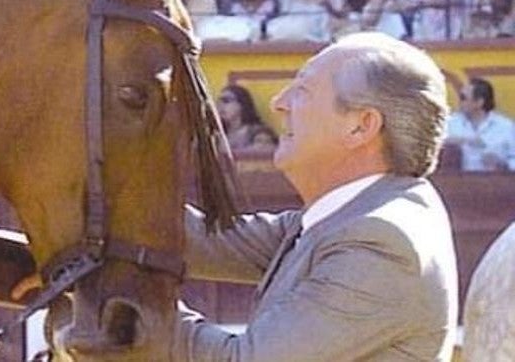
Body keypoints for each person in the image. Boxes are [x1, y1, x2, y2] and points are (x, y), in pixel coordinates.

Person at [175, 32, 458, 359]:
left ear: (360, 126)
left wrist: (130, 309)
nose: (279, 103)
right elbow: (202, 240)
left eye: (302, 91)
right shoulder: (361, 211)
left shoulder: (379, 241)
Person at [445, 77, 515, 171]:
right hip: (457, 182)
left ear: (479, 102)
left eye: (463, 98)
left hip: (494, 183)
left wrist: (502, 164)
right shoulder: (451, 123)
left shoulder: (505, 127)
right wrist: (458, 141)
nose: (459, 101)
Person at [216, 83, 276, 150]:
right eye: (218, 102)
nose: (220, 106)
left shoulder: (259, 133)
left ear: (242, 104)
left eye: (226, 101)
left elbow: (264, 155)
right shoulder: (217, 135)